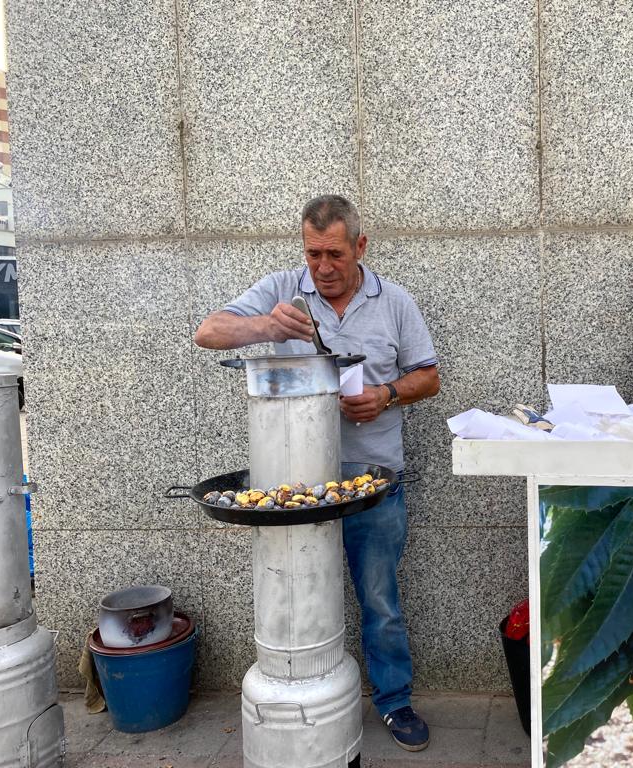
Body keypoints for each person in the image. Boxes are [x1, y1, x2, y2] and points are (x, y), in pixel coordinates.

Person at [194, 194, 440, 752]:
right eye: (312, 255)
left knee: (379, 600)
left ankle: (395, 701)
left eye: (334, 255)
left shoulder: (395, 302)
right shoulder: (283, 290)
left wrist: (386, 395)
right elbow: (207, 333)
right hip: (294, 486)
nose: (323, 269)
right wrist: (262, 324)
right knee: (293, 598)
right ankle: (304, 701)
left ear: (360, 246)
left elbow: (429, 377)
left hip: (374, 484)